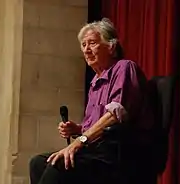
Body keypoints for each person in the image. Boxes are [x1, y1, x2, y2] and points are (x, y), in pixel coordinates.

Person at [29, 18, 154, 184]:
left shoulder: (124, 68)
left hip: (117, 156)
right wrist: (78, 129)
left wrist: (79, 142)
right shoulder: (95, 81)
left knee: (58, 165)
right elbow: (97, 126)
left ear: (111, 47)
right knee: (38, 163)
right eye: (83, 45)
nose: (86, 50)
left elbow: (115, 115)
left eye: (92, 43)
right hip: (94, 152)